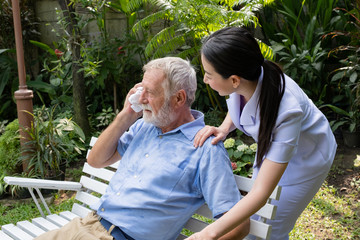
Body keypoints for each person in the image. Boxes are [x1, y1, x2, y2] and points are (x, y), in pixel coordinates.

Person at [34, 57, 249, 240]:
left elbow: (239, 224)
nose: (141, 98)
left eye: (151, 92)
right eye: (141, 90)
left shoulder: (205, 148)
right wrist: (127, 114)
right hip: (85, 225)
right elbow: (95, 161)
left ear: (179, 98)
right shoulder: (144, 126)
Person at [187, 27, 337, 240]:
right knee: (253, 224)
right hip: (275, 151)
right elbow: (238, 104)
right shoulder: (250, 77)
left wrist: (208, 234)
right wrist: (223, 128)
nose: (205, 80)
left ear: (234, 79)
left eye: (209, 75)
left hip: (306, 161)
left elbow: (260, 194)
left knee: (267, 230)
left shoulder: (287, 111)